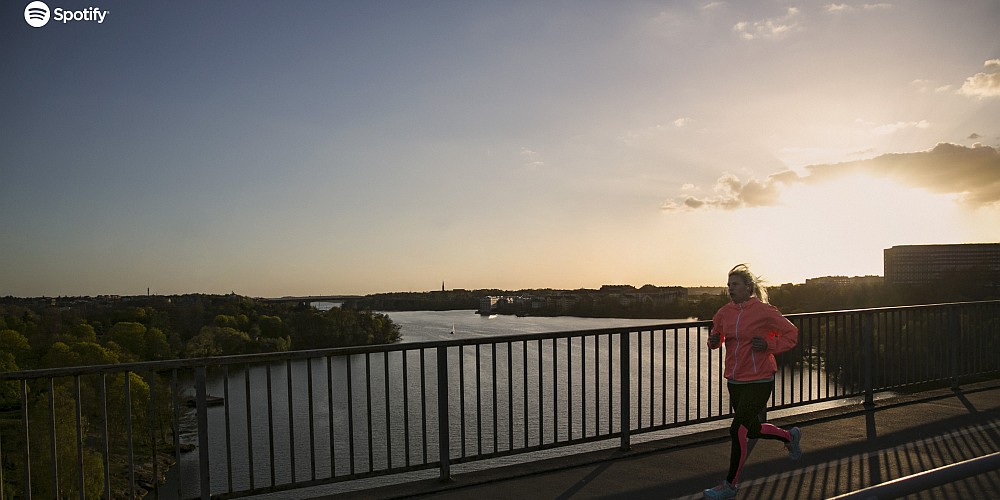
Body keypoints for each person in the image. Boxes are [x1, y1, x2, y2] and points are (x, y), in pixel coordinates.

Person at [703, 264, 802, 499]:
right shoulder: (724, 312)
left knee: (737, 429)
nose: (730, 289)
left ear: (748, 287)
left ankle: (730, 485)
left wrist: (770, 345)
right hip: (735, 381)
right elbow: (715, 338)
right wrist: (714, 341)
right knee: (752, 429)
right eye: (728, 285)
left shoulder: (764, 311)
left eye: (735, 285)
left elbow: (792, 334)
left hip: (760, 380)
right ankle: (790, 437)